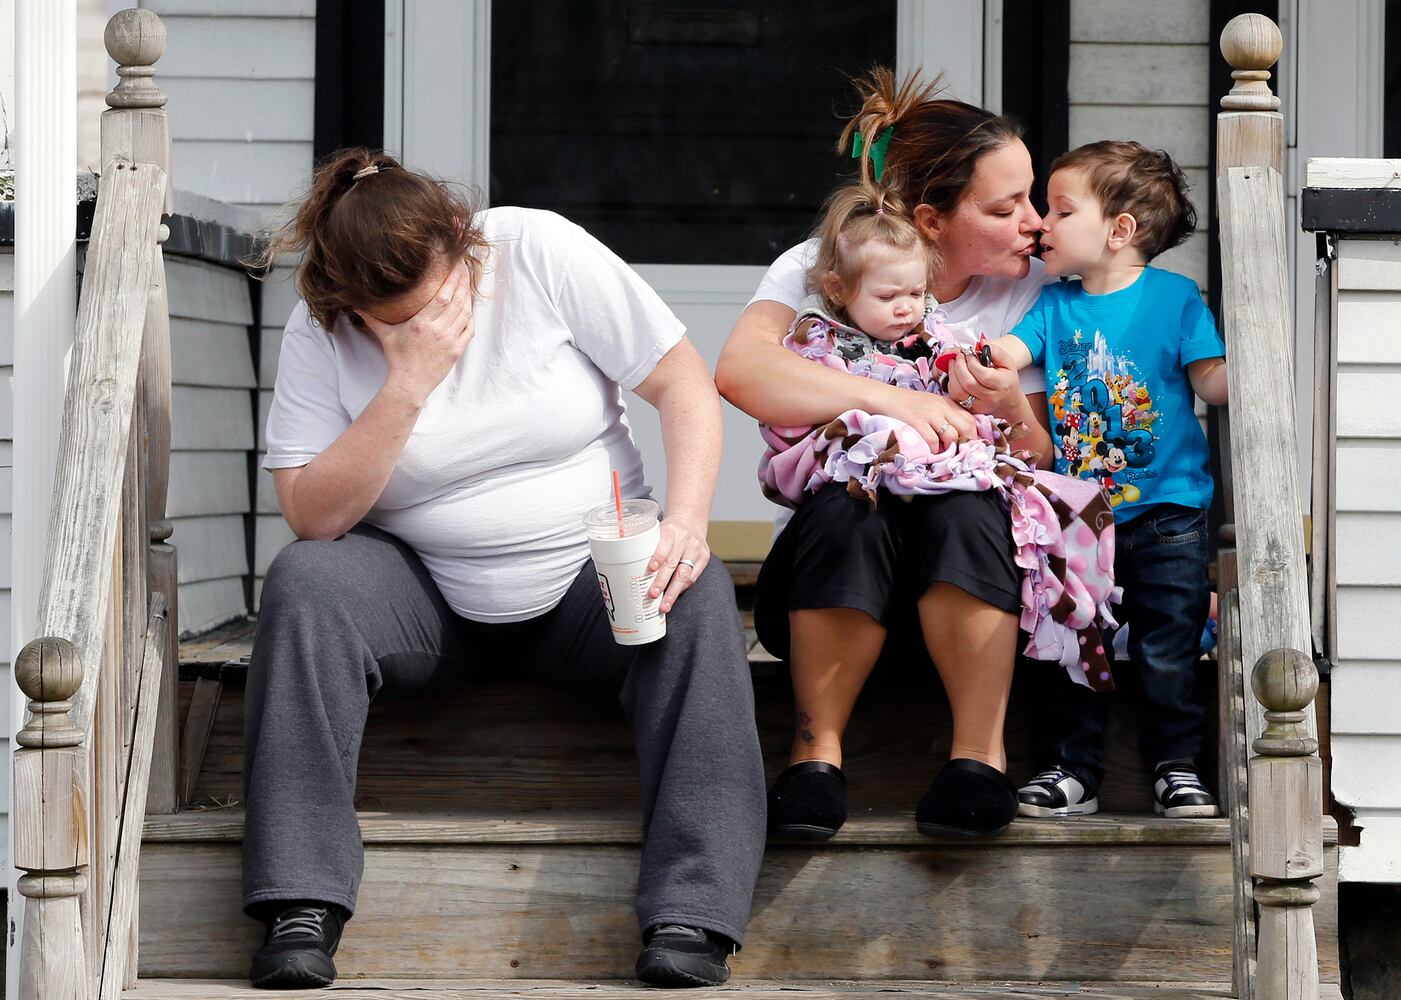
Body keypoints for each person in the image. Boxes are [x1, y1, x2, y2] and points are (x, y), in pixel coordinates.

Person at [245, 149, 765, 990]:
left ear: (462, 241)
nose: (418, 330)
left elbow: (682, 385)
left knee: (694, 587)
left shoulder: (535, 250)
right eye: (390, 324)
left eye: (431, 308)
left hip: (588, 586)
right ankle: (298, 903)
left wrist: (686, 522)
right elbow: (312, 513)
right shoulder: (322, 325)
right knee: (305, 579)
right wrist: (406, 385)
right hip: (426, 598)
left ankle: (692, 912)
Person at [715, 69, 1055, 842]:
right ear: (931, 220)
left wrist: (1007, 405)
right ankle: (814, 758)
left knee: (967, 506)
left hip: (976, 594)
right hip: (829, 588)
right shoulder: (828, 261)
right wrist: (900, 402)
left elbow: (1039, 454)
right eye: (1004, 207)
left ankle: (980, 760)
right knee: (850, 503)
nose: (1033, 223)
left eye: (1031, 198)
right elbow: (741, 371)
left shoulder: (1033, 292)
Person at [988, 140, 1228, 819]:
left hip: (1166, 514)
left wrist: (1250, 368)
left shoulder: (1175, 299)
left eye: (1061, 211)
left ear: (1119, 230)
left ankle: (1176, 766)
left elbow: (1210, 381)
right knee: (1072, 642)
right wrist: (978, 354)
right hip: (1077, 516)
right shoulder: (1053, 305)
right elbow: (1011, 350)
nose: (1043, 224)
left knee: (1167, 647)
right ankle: (1072, 770)